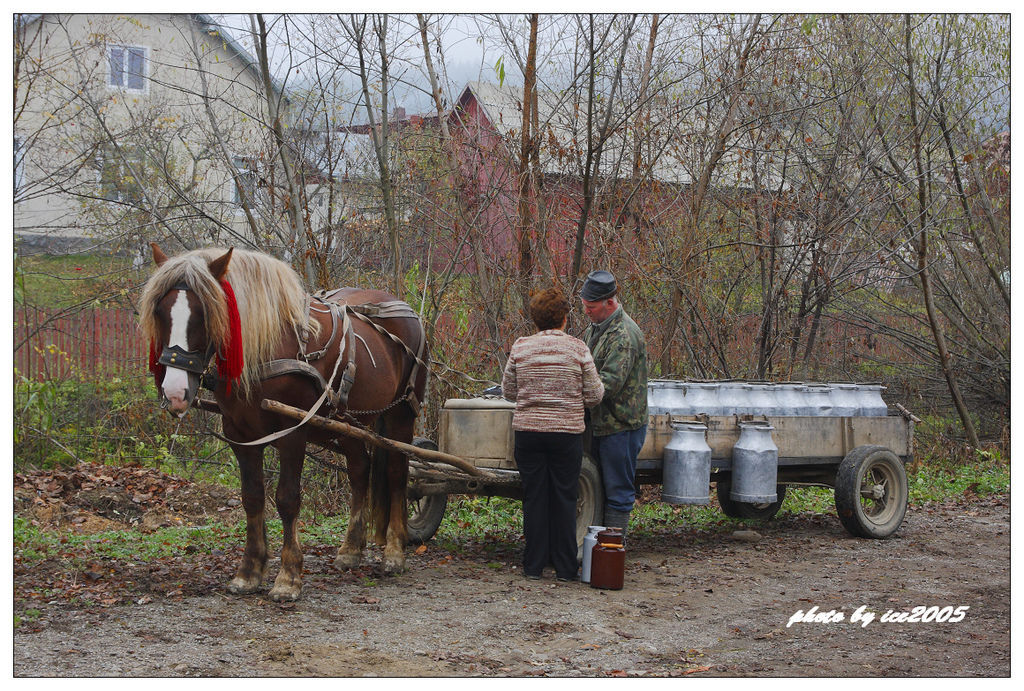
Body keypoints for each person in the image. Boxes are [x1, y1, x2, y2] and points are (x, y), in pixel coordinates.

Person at [502, 288, 604, 581]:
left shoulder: (521, 347)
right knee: (564, 497)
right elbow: (595, 394)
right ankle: (564, 568)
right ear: (563, 318)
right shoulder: (578, 349)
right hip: (565, 434)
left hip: (529, 433)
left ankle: (533, 566)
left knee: (534, 497)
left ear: (534, 319)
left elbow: (509, 391)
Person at [580, 270, 648, 541]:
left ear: (609, 303)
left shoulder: (624, 335)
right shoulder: (596, 327)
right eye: (584, 306)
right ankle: (596, 548)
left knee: (618, 492)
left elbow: (608, 384)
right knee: (599, 489)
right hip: (599, 424)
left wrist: (571, 394)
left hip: (621, 427)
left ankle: (611, 551)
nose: (586, 311)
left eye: (591, 307)